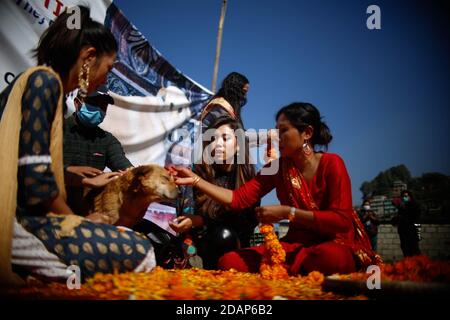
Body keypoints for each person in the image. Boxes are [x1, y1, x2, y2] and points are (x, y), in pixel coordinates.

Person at [0, 6, 156, 286]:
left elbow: (26, 167)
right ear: (88, 57)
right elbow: (36, 186)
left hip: (27, 217)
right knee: (141, 252)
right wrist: (78, 223)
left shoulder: (48, 89)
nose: (106, 78)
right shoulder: (45, 83)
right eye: (108, 68)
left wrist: (72, 176)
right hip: (18, 222)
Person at [169, 102, 381, 276]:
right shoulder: (277, 169)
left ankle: (297, 269)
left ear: (307, 133)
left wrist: (288, 213)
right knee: (230, 261)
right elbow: (238, 199)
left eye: (283, 131)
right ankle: (297, 269)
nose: (275, 136)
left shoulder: (332, 164)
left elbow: (341, 221)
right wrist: (195, 180)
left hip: (333, 243)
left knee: (331, 258)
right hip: (295, 247)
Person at [169, 117, 258, 269]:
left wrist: (201, 220)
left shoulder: (248, 177)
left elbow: (246, 223)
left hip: (233, 246)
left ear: (238, 146)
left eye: (225, 138)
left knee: (224, 235)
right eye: (212, 139)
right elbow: (187, 215)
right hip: (197, 245)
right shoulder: (197, 172)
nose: (217, 144)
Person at [64, 90, 133, 214]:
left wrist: (136, 174)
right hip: (53, 205)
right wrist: (70, 171)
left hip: (87, 212)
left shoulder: (107, 140)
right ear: (77, 103)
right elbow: (43, 169)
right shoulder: (58, 130)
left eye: (103, 106)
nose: (99, 109)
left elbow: (123, 165)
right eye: (94, 103)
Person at [392, 190, 421, 257]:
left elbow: (416, 219)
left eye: (406, 196)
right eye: (403, 196)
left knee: (414, 249)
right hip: (403, 233)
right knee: (405, 249)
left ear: (410, 197)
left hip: (412, 232)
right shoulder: (401, 207)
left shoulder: (414, 206)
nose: (404, 198)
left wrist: (418, 234)